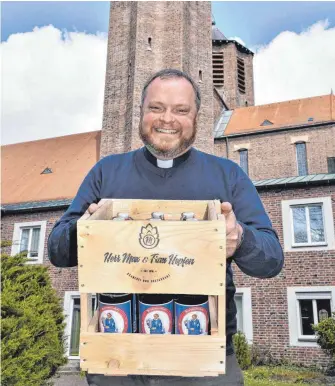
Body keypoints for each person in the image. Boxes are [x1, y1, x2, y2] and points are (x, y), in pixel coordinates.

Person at [48, 68, 284, 385]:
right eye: (156, 108)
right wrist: (85, 230)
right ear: (141, 112)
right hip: (117, 358)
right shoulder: (106, 171)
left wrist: (240, 238)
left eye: (181, 110)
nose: (167, 119)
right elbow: (57, 251)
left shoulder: (228, 175)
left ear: (197, 116)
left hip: (206, 360)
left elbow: (272, 260)